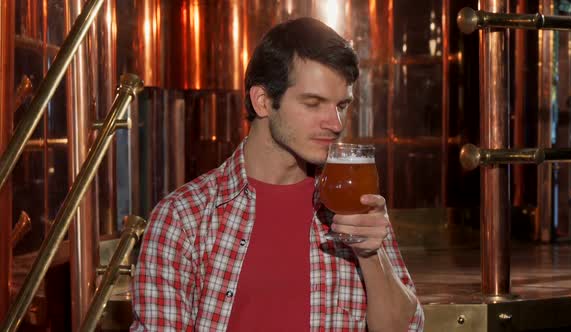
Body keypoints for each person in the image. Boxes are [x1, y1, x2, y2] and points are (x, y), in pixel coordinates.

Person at [131, 17, 424, 331]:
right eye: (313, 104)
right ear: (263, 102)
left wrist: (370, 255)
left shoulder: (351, 199)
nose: (335, 123)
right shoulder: (184, 218)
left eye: (342, 105)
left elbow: (406, 328)